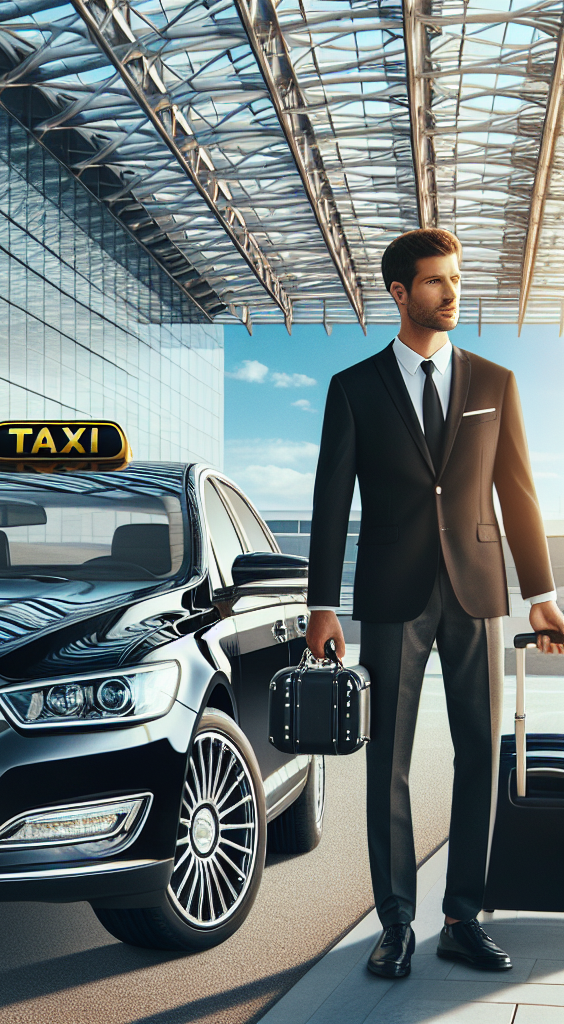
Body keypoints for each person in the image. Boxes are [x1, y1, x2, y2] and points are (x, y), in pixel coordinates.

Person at [305, 228, 564, 979]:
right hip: (391, 596)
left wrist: (540, 596)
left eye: (455, 279)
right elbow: (330, 503)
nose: (452, 293)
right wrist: (324, 604)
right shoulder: (353, 388)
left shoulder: (494, 382)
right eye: (435, 282)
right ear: (399, 293)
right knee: (387, 761)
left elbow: (518, 492)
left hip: (479, 590)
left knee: (481, 753)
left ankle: (462, 917)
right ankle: (394, 925)